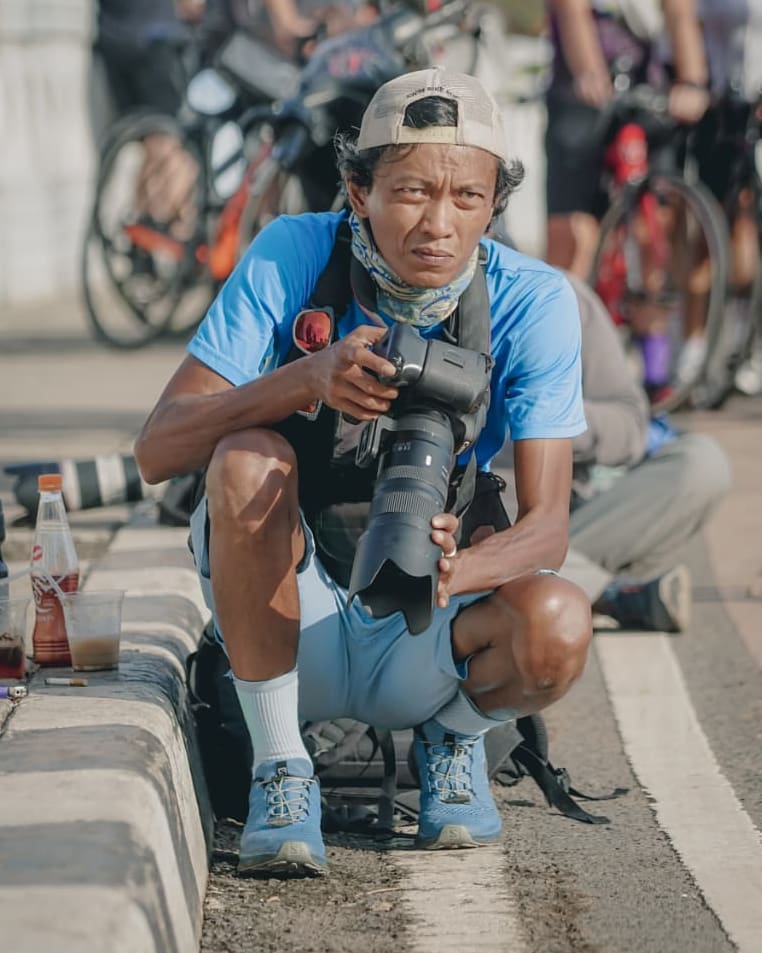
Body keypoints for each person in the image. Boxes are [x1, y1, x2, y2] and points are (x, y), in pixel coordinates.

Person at [135, 67, 593, 878]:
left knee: (557, 621)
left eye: (467, 199)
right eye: (412, 190)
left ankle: (453, 738)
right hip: (289, 613)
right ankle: (282, 766)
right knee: (248, 457)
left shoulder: (533, 300)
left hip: (425, 617)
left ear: (494, 206)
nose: (439, 225)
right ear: (357, 187)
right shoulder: (294, 252)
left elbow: (549, 525)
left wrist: (464, 565)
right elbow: (158, 447)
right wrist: (303, 382)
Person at [562, 274, 731, 630]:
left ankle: (555, 588)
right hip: (454, 533)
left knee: (702, 464)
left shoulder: (559, 295)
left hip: (562, 525)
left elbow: (630, 426)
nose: (441, 228)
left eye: (468, 212)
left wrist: (552, 416)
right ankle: (607, 594)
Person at [544, 0, 711, 278]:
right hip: (580, 87)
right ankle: (566, 309)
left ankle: (649, 312)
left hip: (647, 87)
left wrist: (692, 82)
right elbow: (572, 10)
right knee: (574, 233)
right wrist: (589, 72)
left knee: (656, 220)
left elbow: (680, 12)